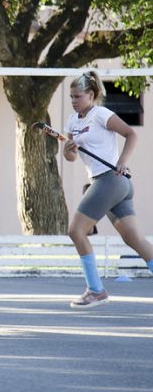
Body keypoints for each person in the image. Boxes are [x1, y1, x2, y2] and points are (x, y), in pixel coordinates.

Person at [64, 70, 153, 309]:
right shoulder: (72, 121)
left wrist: (122, 161)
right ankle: (95, 289)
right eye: (71, 97)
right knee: (133, 238)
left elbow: (131, 134)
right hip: (109, 183)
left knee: (76, 231)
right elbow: (72, 157)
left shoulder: (101, 114)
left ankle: (96, 290)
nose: (73, 101)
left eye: (78, 96)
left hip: (110, 180)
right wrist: (68, 150)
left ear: (91, 95)